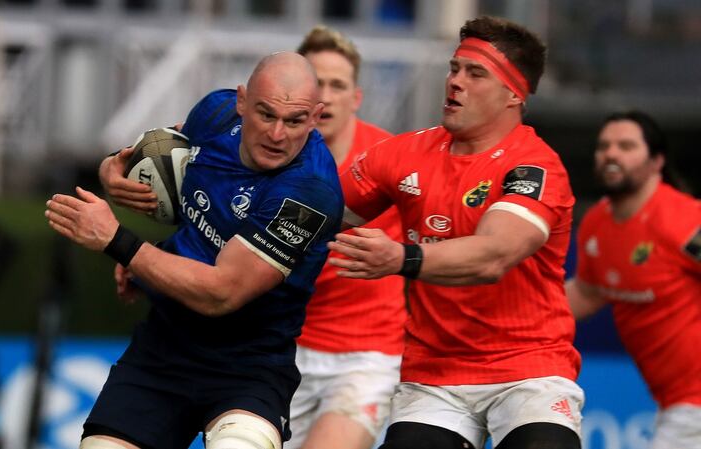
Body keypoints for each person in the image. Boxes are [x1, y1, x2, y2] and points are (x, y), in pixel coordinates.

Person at [45, 52, 344, 449]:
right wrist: (111, 170)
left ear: (315, 116)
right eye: (265, 114)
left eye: (294, 121)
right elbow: (156, 148)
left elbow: (222, 292)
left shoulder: (310, 192)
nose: (277, 134)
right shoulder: (216, 115)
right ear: (241, 102)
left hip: (248, 367)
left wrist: (120, 243)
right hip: (164, 350)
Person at [326, 16, 583, 449]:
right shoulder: (403, 153)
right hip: (435, 375)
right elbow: (314, 218)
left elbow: (493, 255)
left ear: (513, 94)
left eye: (475, 73)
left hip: (530, 370)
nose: (455, 81)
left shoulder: (536, 166)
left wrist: (401, 258)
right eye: (454, 68)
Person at [287, 26, 405, 449]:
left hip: (366, 356)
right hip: (282, 348)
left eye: (338, 85)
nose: (327, 96)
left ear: (355, 98)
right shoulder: (268, 155)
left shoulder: (392, 160)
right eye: (316, 83)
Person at [566, 111, 701, 449]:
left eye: (626, 146)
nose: (611, 153)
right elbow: (587, 290)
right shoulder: (597, 223)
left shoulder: (683, 220)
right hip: (674, 403)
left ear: (657, 161)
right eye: (604, 146)